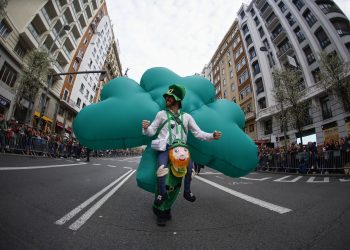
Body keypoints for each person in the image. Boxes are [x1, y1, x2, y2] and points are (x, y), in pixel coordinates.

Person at [142, 84, 222, 206]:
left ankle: (187, 191)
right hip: (165, 148)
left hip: (182, 150)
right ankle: (161, 193)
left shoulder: (187, 117)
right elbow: (151, 131)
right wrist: (146, 128)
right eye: (166, 97)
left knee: (190, 169)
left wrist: (212, 135)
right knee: (161, 168)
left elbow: (198, 133)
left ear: (177, 99)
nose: (167, 99)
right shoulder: (161, 114)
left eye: (170, 97)